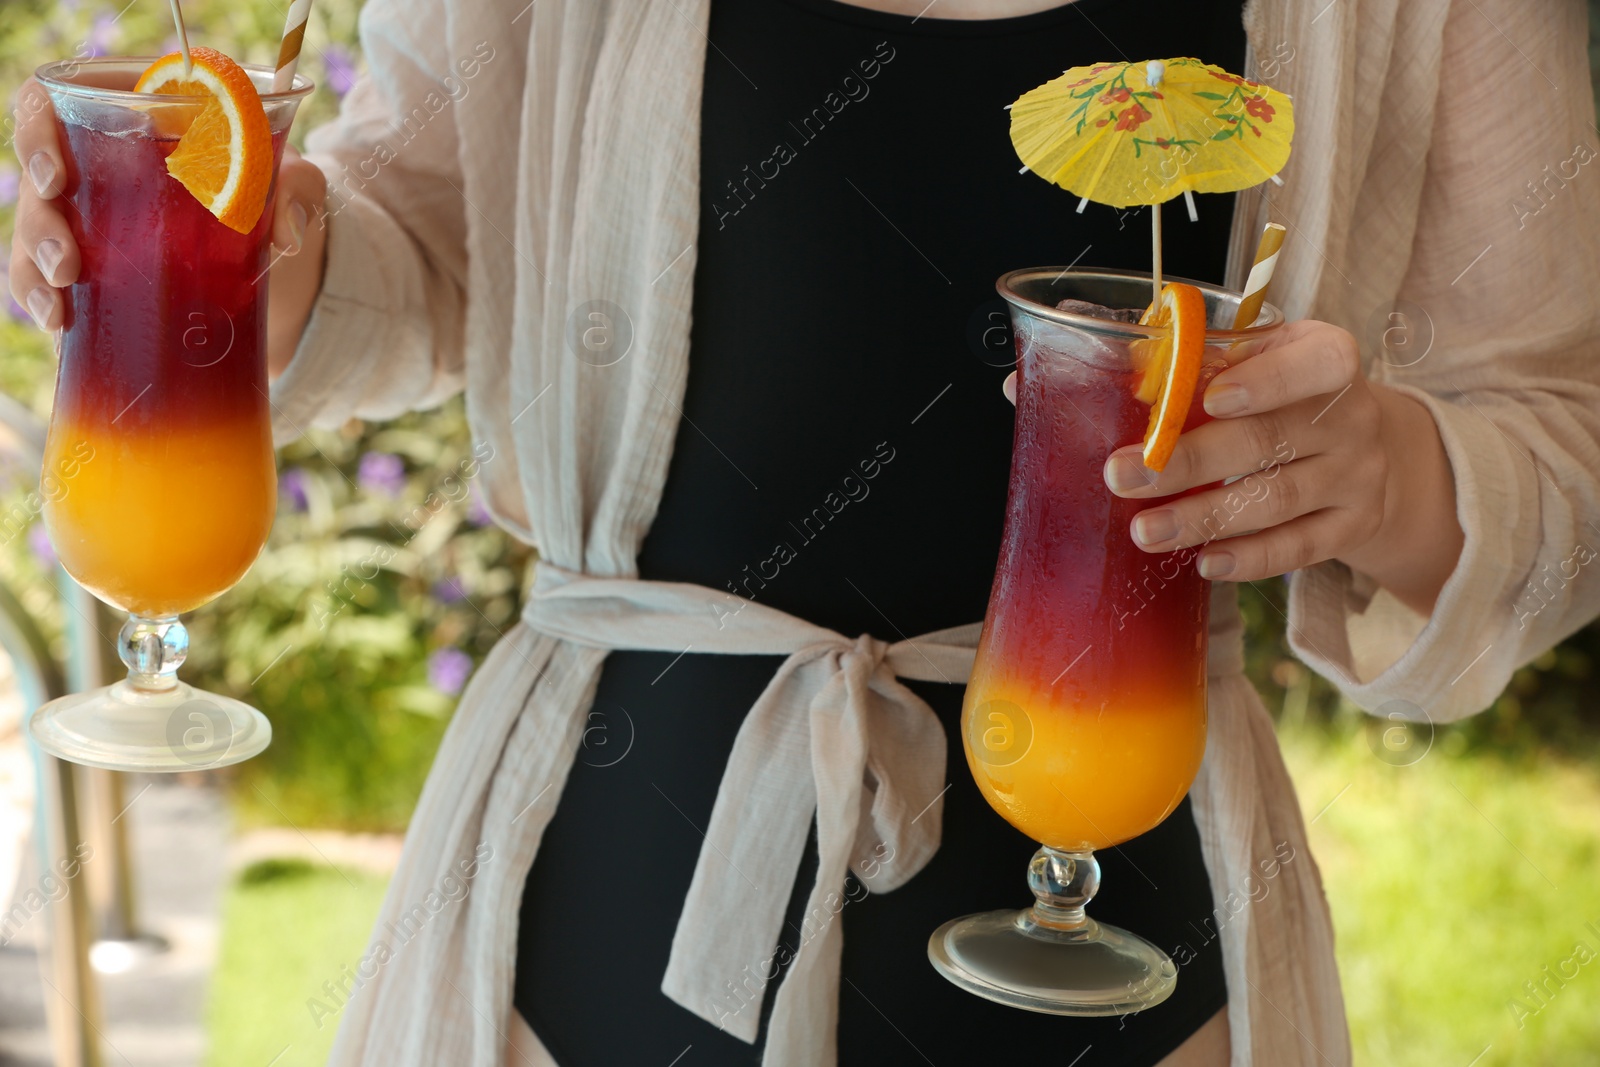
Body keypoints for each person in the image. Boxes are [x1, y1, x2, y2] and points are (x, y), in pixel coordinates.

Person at [10, 0, 1600, 1064]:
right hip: (586, 930)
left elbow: (1568, 438)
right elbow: (426, 235)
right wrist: (265, 258)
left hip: (1144, 962)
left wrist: (1392, 475)